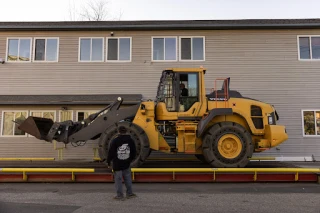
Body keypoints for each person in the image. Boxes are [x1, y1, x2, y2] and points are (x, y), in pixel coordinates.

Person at [107, 125, 137, 200]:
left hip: (117, 164)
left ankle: (120, 196)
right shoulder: (130, 140)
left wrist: (108, 162)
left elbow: (111, 152)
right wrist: (130, 159)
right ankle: (129, 194)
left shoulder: (115, 140)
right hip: (126, 163)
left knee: (118, 180)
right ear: (126, 131)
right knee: (128, 179)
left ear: (118, 131)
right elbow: (133, 151)